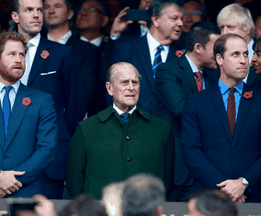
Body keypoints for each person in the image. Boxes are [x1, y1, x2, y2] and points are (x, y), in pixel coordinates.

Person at [11, 0, 87, 199]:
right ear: (15, 16)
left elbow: (76, 106)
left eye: (39, 10)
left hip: (50, 158)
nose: (37, 15)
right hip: (6, 156)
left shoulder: (62, 53)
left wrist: (59, 140)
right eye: (29, 10)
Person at [66, 62, 175, 200]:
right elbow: (74, 181)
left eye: (135, 82)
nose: (131, 88)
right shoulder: (87, 128)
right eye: (124, 82)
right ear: (109, 88)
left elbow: (167, 182)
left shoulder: (161, 129)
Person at [0, 31, 57, 197]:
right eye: (12, 54)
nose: (19, 59)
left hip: (25, 192)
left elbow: (47, 149)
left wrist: (11, 179)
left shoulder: (43, 100)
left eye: (22, 55)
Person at [181, 33, 261, 203]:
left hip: (253, 197)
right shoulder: (196, 102)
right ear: (219, 59)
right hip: (208, 197)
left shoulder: (259, 99)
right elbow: (190, 150)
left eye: (246, 54)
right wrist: (225, 189)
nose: (243, 60)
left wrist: (244, 183)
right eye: (235, 54)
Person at [153, 21, 220, 201]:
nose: (219, 54)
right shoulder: (168, 71)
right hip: (177, 163)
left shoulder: (213, 75)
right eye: (216, 48)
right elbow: (181, 108)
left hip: (207, 166)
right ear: (198, 47)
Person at [110, 0, 184, 114]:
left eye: (181, 19)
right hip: (131, 126)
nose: (180, 24)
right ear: (155, 19)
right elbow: (115, 90)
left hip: (171, 128)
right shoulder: (127, 48)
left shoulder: (183, 54)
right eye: (174, 18)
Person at [43, 0, 102, 116]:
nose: (51, 11)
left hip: (69, 122)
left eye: (57, 6)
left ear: (70, 14)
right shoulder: (30, 47)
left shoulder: (88, 50)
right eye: (46, 7)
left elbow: (86, 93)